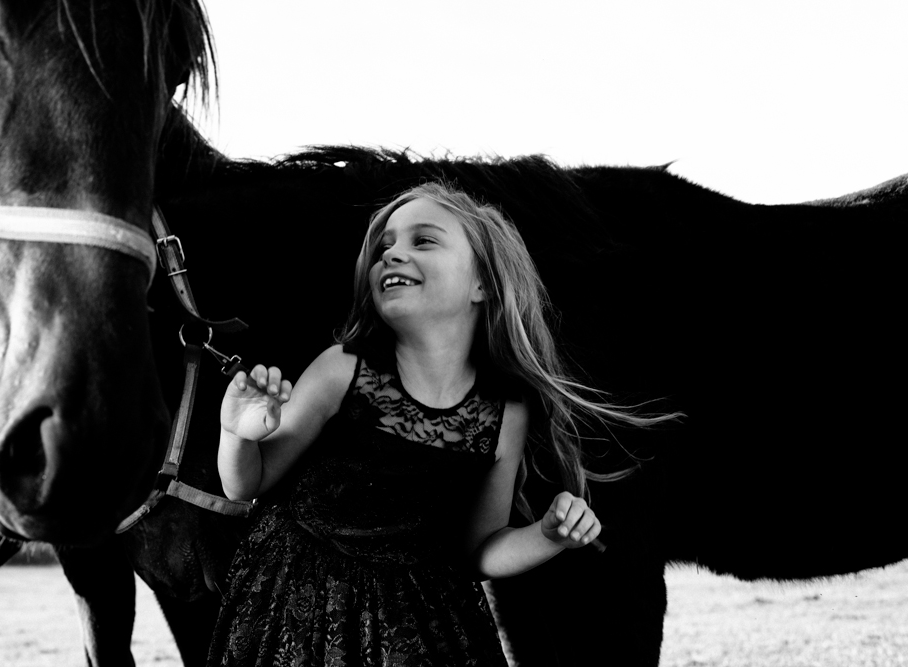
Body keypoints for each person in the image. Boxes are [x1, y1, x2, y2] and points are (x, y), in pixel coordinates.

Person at [207, 182, 671, 666]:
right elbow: (246, 484)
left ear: (482, 284)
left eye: (423, 240)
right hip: (299, 614)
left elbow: (479, 552)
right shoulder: (341, 371)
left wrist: (547, 536)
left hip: (420, 630)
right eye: (384, 246)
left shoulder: (502, 414)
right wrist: (236, 433)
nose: (393, 255)